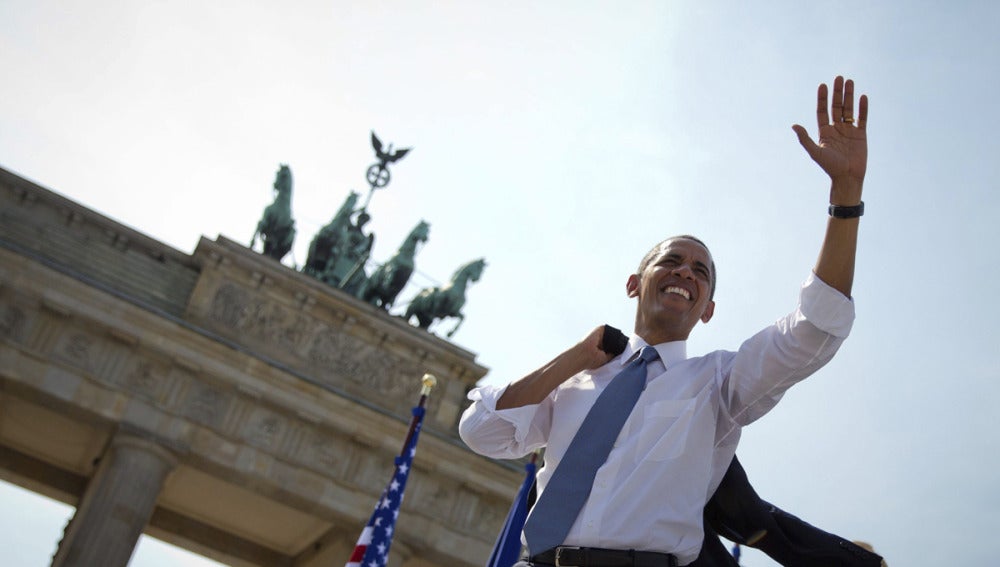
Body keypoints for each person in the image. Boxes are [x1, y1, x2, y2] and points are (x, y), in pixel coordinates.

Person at [459, 75, 871, 566]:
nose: (684, 273)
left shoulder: (718, 383)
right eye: (671, 261)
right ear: (635, 283)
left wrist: (845, 196)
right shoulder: (578, 382)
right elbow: (481, 430)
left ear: (708, 308)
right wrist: (573, 359)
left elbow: (814, 328)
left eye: (701, 273)